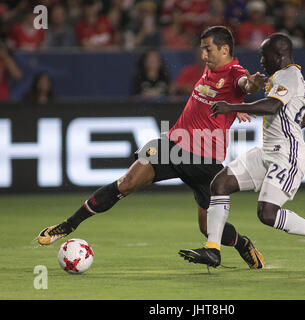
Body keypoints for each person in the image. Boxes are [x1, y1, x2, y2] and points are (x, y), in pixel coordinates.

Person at [37, 26, 266, 270]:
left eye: (208, 50)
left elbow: (245, 83)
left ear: (225, 49)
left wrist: (251, 84)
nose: (203, 56)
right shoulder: (211, 69)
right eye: (202, 50)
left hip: (204, 160)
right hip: (173, 144)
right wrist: (236, 103)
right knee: (126, 182)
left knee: (208, 227)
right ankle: (68, 225)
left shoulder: (234, 72)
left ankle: (242, 244)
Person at [179, 33, 305, 268]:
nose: (261, 61)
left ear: (278, 55)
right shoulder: (290, 78)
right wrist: (295, 124)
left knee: (267, 214)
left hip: (287, 156)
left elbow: (272, 106)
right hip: (267, 151)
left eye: (264, 55)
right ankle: (212, 250)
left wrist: (230, 107)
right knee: (219, 183)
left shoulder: (289, 76)